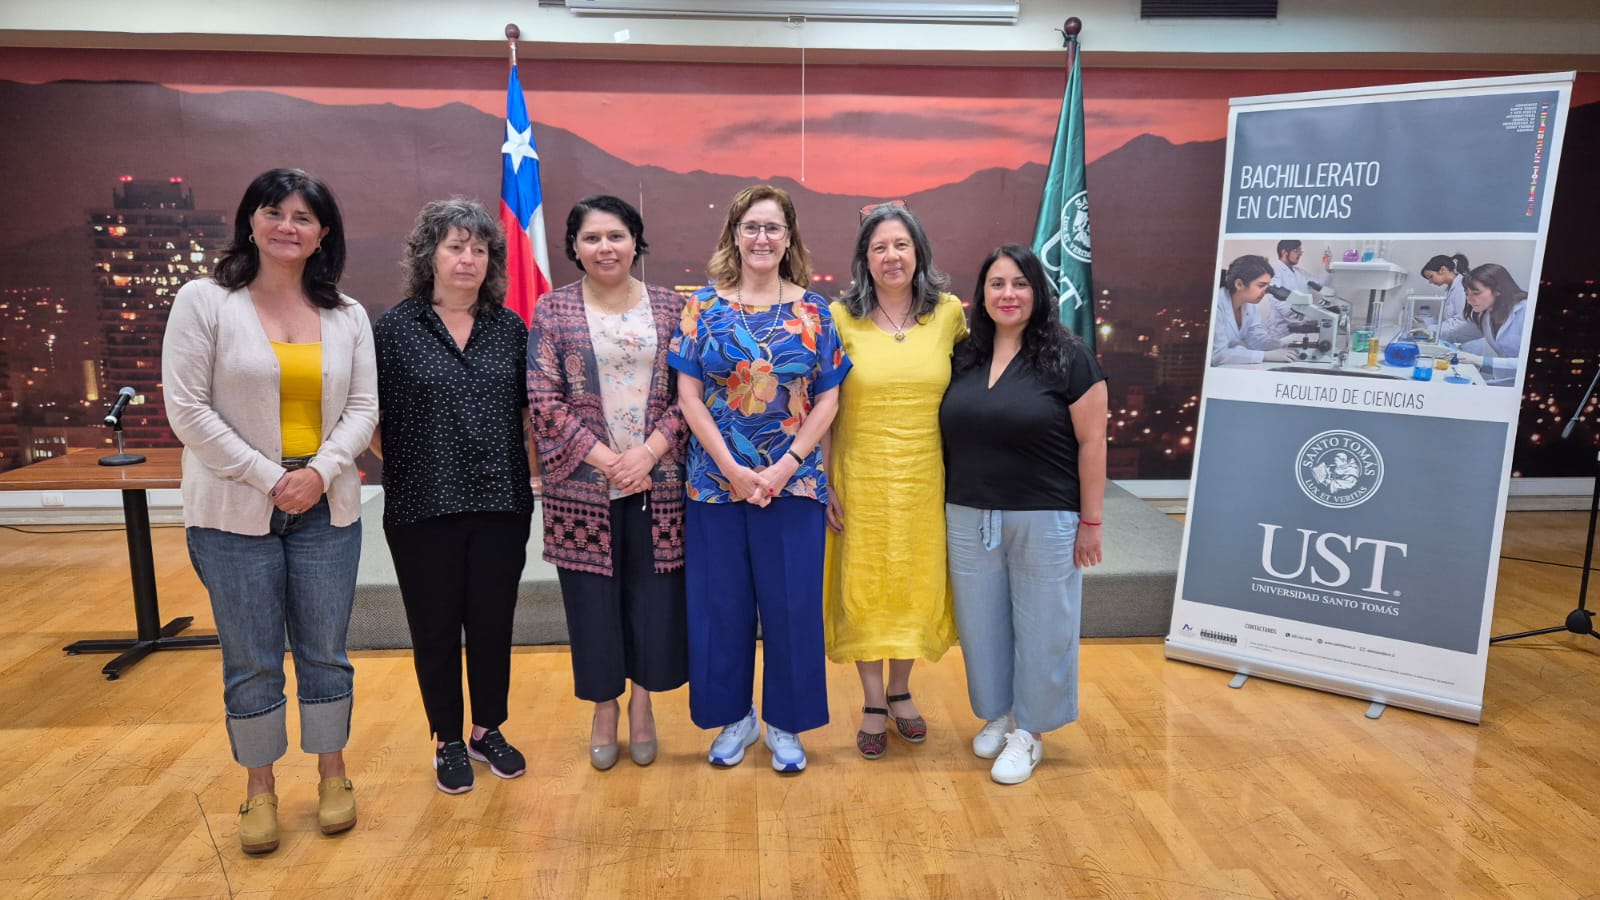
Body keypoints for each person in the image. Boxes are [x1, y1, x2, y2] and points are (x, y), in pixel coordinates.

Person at [162, 168, 376, 853]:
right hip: (232, 511)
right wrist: (269, 476)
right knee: (251, 658)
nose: (288, 225)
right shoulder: (206, 301)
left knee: (325, 653)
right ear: (250, 220)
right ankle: (259, 789)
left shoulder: (346, 313)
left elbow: (363, 408)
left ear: (323, 235)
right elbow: (187, 410)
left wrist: (317, 473)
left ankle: (333, 775)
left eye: (304, 217)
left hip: (326, 507)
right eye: (274, 211)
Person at [668, 184, 851, 774]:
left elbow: (829, 398)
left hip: (792, 484)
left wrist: (784, 465)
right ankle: (734, 718)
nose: (762, 238)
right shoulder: (703, 306)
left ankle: (785, 724)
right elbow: (689, 396)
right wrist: (730, 466)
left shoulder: (815, 312)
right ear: (735, 235)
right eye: (752, 227)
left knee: (793, 606)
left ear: (789, 237)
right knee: (722, 606)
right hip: (715, 483)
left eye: (773, 228)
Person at [372, 199, 535, 794]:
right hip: (421, 506)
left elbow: (528, 413)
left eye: (479, 248)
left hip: (501, 503)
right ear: (429, 254)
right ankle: (446, 737)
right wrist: (417, 465)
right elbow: (368, 414)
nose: (468, 258)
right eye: (454, 246)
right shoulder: (393, 328)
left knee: (492, 623)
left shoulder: (511, 327)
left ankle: (487, 727)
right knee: (435, 627)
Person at [528, 195, 689, 771]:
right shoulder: (553, 311)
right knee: (593, 604)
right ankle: (604, 708)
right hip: (583, 487)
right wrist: (608, 460)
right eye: (592, 237)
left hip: (659, 480)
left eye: (616, 236)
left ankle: (642, 706)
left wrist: (646, 455)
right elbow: (543, 401)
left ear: (636, 242)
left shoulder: (671, 308)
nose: (605, 247)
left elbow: (687, 397)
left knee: (653, 599)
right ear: (573, 246)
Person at [939, 243, 1107, 785]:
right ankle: (1002, 714)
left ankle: (1030, 733)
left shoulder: (1069, 355)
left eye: (1019, 284)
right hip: (968, 512)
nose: (1007, 294)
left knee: (1043, 626)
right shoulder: (964, 355)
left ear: (1038, 291)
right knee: (982, 625)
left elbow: (1093, 442)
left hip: (1045, 513)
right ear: (981, 294)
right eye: (996, 284)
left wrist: (1091, 521)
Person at [823, 204, 965, 760]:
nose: (891, 256)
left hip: (927, 478)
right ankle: (873, 701)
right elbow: (825, 405)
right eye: (878, 247)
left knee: (912, 582)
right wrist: (825, 479)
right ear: (864, 258)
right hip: (859, 477)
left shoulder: (949, 315)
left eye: (901, 245)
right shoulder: (839, 317)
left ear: (920, 251)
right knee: (865, 587)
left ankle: (902, 688)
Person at [1439, 263, 1528, 387]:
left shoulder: (1526, 311)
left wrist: (1480, 360)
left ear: (1498, 291)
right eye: (1467, 293)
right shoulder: (1486, 315)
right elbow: (1456, 333)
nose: (1469, 300)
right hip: (1508, 381)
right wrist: (1431, 333)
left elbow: (1529, 363)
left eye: (1476, 293)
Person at [1212, 254, 1295, 366]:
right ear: (1239, 284)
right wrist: (1265, 356)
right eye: (1261, 285)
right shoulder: (1217, 304)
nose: (1266, 291)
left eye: (1268, 285)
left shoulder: (1250, 303)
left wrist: (1281, 345)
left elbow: (1255, 337)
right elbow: (1217, 355)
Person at [1264, 240, 1327, 339]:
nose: (1300, 254)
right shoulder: (1274, 271)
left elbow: (1320, 284)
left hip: (1298, 327)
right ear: (1284, 252)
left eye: (1300, 251)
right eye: (1296, 251)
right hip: (1280, 330)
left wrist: (1327, 266)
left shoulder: (1299, 272)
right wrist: (1301, 319)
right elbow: (1278, 301)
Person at [1421, 253, 1470, 331]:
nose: (1430, 282)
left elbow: (1462, 322)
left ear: (1442, 270)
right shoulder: (1450, 289)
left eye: (1431, 277)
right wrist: (1423, 322)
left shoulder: (1462, 287)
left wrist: (1428, 328)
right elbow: (1445, 319)